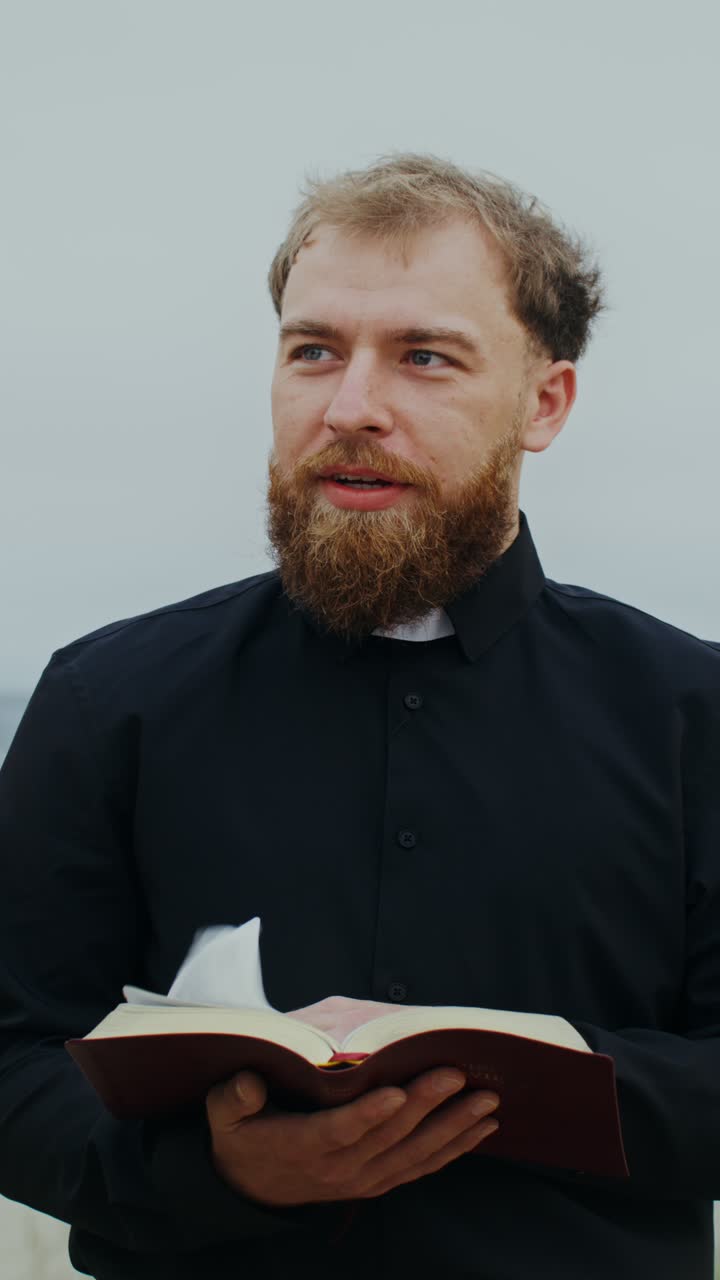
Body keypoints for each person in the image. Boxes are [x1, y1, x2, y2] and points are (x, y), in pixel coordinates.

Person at [0, 153, 718, 1280]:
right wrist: (223, 1171)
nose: (349, 407)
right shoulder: (108, 698)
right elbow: (11, 1054)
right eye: (314, 350)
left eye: (424, 357)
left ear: (545, 401)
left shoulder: (692, 712)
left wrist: (522, 1069)